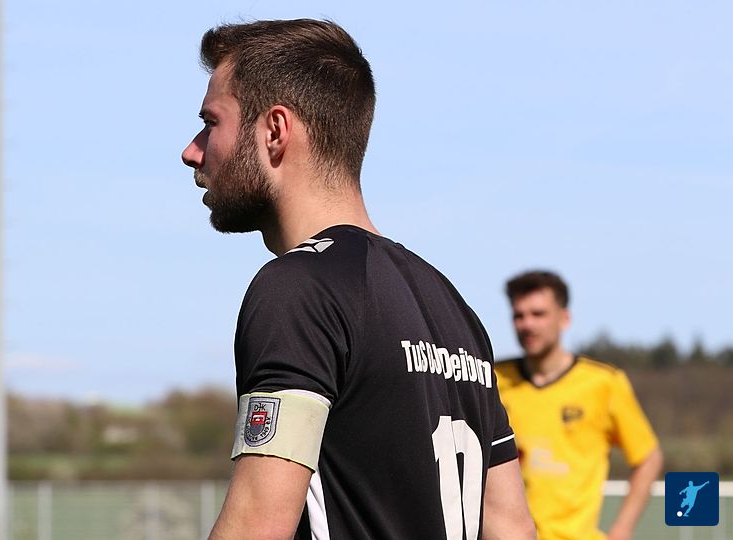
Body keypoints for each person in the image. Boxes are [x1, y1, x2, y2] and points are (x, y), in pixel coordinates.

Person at [182, 18, 535, 539]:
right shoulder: (453, 308)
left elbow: (259, 523)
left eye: (210, 122)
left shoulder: (298, 289)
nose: (192, 150)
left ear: (274, 131)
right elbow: (512, 527)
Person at [495, 270, 663, 540]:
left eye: (538, 314)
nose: (527, 324)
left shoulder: (603, 383)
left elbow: (648, 458)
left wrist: (621, 530)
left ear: (564, 318)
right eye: (519, 315)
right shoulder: (492, 380)